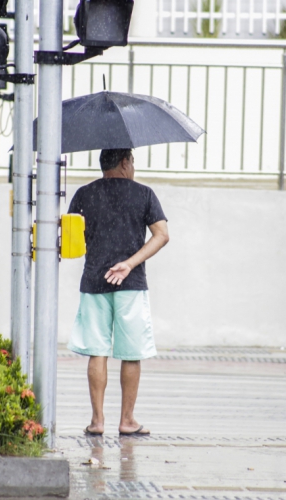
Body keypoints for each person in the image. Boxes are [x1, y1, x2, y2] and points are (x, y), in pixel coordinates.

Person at [67, 148, 169, 437]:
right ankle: (127, 420)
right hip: (131, 283)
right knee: (131, 353)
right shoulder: (144, 194)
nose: (133, 166)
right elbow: (162, 235)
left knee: (97, 351)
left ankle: (97, 421)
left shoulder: (84, 194)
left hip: (94, 281)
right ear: (125, 163)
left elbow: (72, 239)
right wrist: (128, 263)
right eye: (132, 161)